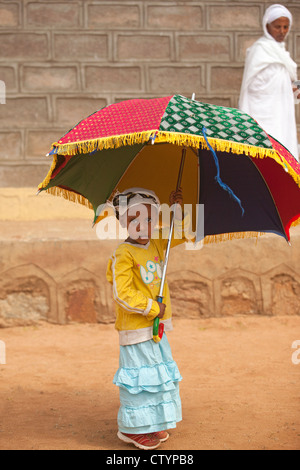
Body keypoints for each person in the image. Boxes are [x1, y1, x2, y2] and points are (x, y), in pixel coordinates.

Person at [106, 187, 187, 450]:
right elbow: (122, 293)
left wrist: (177, 210)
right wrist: (152, 307)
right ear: (124, 223)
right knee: (140, 378)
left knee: (156, 375)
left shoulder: (157, 244)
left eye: (149, 219)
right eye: (134, 219)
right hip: (136, 328)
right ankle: (133, 428)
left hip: (156, 329)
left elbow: (182, 233)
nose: (143, 225)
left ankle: (153, 422)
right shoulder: (123, 254)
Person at [239, 4, 299, 161]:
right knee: (265, 153)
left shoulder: (281, 52)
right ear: (267, 26)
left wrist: (293, 89)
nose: (282, 31)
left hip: (281, 112)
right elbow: (253, 87)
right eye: (277, 26)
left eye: (286, 27)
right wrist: (285, 88)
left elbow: (284, 81)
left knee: (284, 149)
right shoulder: (259, 50)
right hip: (263, 114)